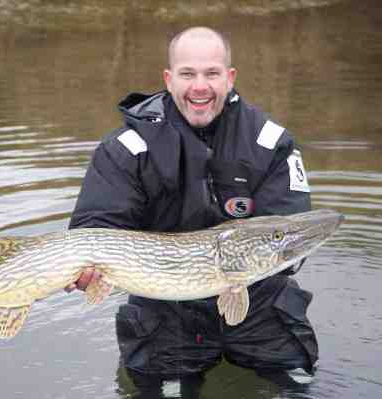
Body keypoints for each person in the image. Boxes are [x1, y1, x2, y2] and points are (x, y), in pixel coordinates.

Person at [67, 26, 318, 396]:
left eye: (212, 73)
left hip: (260, 303)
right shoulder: (126, 148)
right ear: (169, 80)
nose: (200, 86)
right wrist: (85, 271)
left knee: (294, 387)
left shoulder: (270, 141)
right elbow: (95, 226)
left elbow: (289, 231)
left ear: (229, 78)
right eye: (188, 74)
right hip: (165, 310)